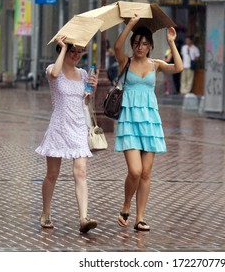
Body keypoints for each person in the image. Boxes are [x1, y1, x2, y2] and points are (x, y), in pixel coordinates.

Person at [114, 14, 183, 231]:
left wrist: (171, 41)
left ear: (150, 46)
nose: (139, 47)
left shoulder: (156, 64)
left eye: (144, 44)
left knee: (146, 172)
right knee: (134, 171)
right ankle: (126, 204)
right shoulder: (127, 62)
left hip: (150, 122)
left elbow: (179, 68)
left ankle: (140, 217)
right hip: (129, 121)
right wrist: (131, 26)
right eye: (136, 44)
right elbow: (117, 47)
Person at [35, 35, 99, 233]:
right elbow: (54, 74)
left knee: (80, 172)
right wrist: (62, 48)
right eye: (73, 51)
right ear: (64, 50)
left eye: (80, 52)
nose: (77, 55)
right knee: (52, 174)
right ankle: (46, 212)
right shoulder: (53, 70)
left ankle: (83, 218)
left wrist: (92, 89)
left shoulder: (82, 73)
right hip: (59, 127)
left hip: (79, 127)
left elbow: (85, 101)